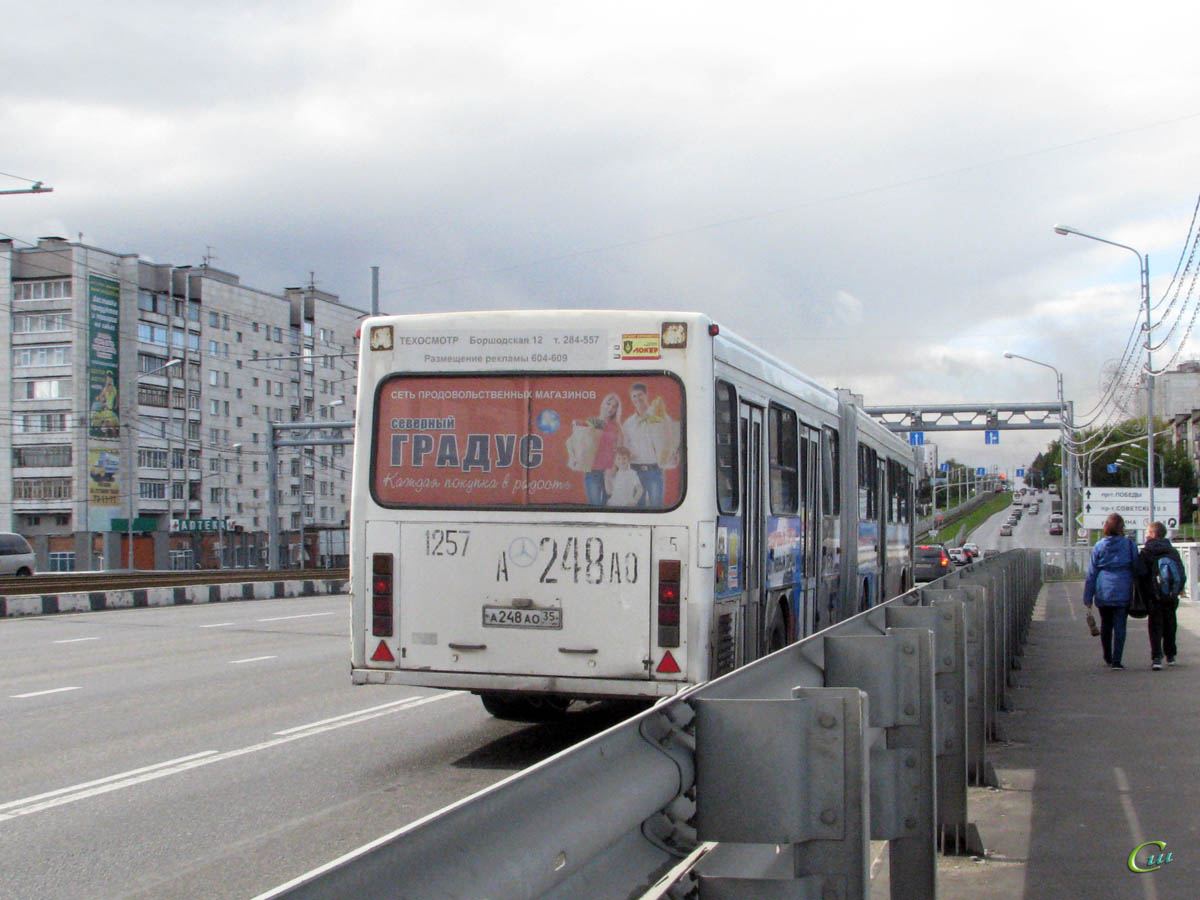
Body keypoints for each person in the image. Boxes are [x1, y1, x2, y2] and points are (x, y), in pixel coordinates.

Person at [1083, 512, 1141, 670]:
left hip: (1104, 590)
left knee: (1106, 624)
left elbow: (1091, 574)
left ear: (1106, 528)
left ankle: (1107, 656)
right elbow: (1136, 568)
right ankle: (1117, 660)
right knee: (1120, 625)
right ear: (1122, 528)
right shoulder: (1129, 545)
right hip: (1123, 589)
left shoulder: (1099, 546)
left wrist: (1088, 597)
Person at [1137, 521, 1186, 670]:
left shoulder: (1147, 551)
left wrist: (1145, 593)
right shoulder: (1172, 551)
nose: (1146, 535)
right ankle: (1170, 655)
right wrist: (1178, 590)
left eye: (1147, 532)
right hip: (1170, 594)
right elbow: (1181, 572)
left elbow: (1141, 573)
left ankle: (1157, 657)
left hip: (1154, 595)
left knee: (1155, 626)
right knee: (1170, 623)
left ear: (1153, 534)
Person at [622, 382, 674, 507]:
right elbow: (625, 445)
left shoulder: (661, 418)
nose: (637, 398)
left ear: (646, 395)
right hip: (634, 471)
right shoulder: (629, 423)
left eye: (640, 395)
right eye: (634, 396)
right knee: (636, 509)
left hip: (654, 470)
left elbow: (669, 442)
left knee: (656, 507)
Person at [581, 393, 623, 506]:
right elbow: (583, 446)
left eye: (614, 406)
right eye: (608, 404)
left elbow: (619, 449)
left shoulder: (617, 427)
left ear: (616, 410)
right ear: (603, 404)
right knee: (594, 506)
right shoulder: (592, 422)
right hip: (593, 471)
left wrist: (614, 468)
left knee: (608, 505)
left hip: (610, 472)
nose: (610, 408)